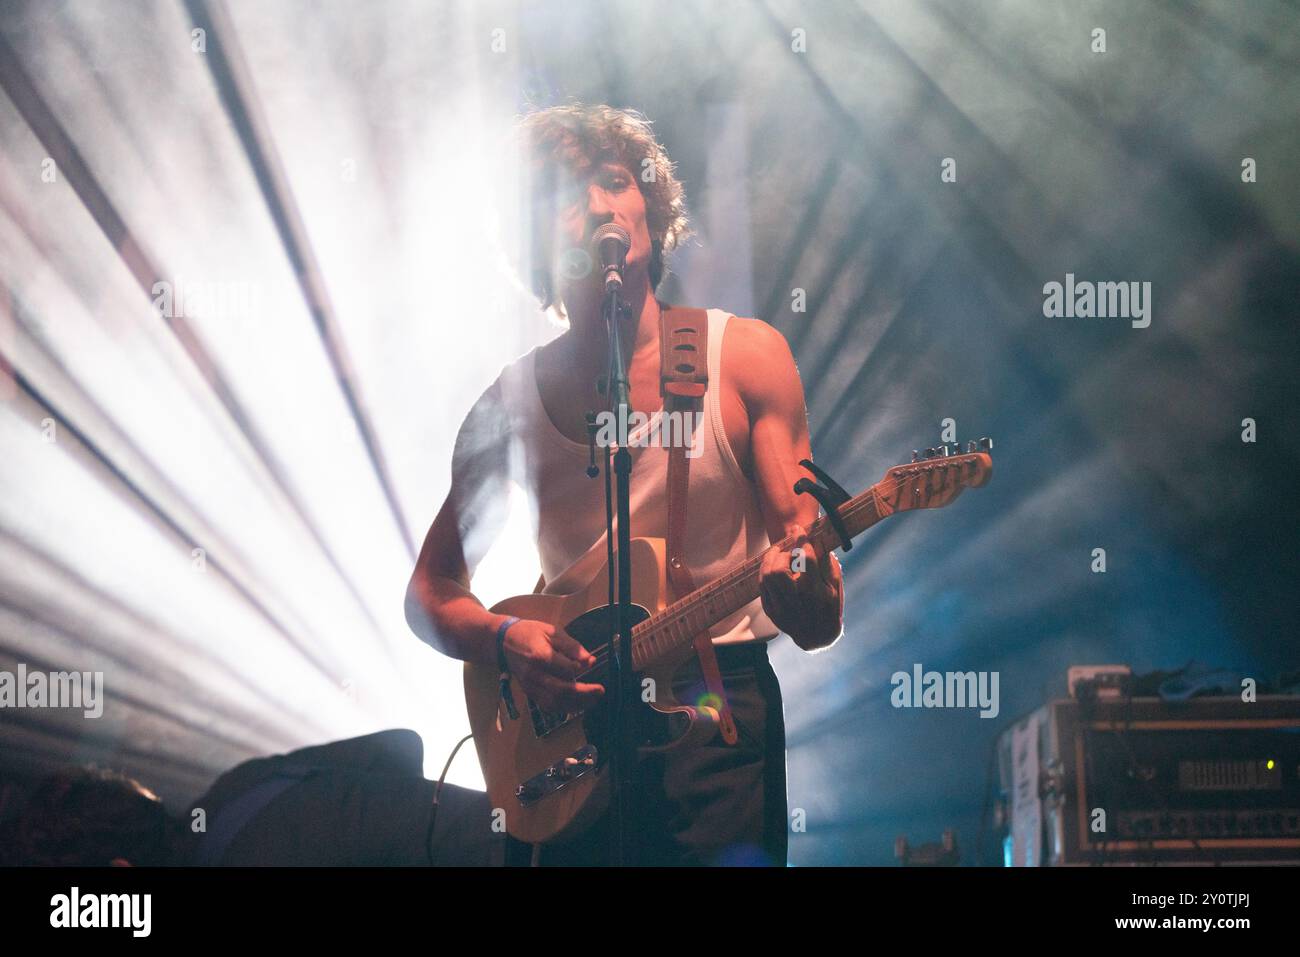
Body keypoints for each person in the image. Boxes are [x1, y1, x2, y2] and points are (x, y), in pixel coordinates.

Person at [404, 103, 844, 866]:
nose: (602, 206)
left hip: (716, 718)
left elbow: (814, 600)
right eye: (569, 195)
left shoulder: (744, 358)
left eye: (617, 182)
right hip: (569, 730)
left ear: (651, 208)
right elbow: (431, 591)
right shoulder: (507, 407)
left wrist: (807, 580)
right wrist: (506, 639)